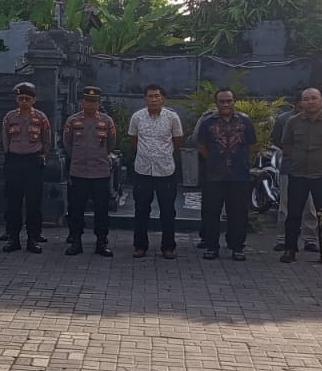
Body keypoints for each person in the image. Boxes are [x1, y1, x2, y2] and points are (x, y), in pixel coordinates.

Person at [279, 87, 322, 263]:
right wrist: (297, 158)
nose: (310, 102)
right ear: (301, 102)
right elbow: (286, 145)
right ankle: (290, 249)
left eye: (314, 98)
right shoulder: (293, 122)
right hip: (298, 174)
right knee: (293, 214)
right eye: (306, 99)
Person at [195, 88, 258, 261]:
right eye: (222, 101)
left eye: (228, 101)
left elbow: (252, 146)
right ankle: (211, 246)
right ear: (216, 103)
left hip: (239, 175)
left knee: (238, 213)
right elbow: (201, 146)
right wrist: (216, 159)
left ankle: (237, 246)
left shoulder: (245, 122)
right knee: (210, 212)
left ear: (234, 101)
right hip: (213, 175)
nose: (225, 104)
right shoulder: (207, 122)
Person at [128, 84, 184, 259]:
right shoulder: (137, 117)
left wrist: (162, 155)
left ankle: (168, 247)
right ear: (145, 99)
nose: (153, 99)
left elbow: (178, 141)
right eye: (150, 96)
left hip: (165, 170)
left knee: (167, 211)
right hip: (142, 170)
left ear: (163, 98)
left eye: (156, 96)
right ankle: (140, 246)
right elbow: (134, 140)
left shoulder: (172, 118)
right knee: (141, 210)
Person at [63, 86, 116, 257]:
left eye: (94, 101)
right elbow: (68, 144)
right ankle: (76, 241)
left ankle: (101, 241)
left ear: (99, 103)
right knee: (76, 208)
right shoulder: (72, 121)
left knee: (102, 209)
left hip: (100, 171)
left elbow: (111, 144)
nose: (90, 104)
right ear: (82, 102)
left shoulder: (107, 121)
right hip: (79, 171)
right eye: (87, 101)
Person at [2, 82, 52, 253]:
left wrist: (43, 154)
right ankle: (13, 237)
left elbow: (46, 139)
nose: (24, 101)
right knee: (13, 201)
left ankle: (33, 238)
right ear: (17, 99)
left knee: (33, 202)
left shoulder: (41, 118)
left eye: (27, 99)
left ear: (34, 100)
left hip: (33, 161)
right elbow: (5, 139)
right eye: (21, 98)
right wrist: (8, 156)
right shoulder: (9, 117)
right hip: (14, 160)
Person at [272, 93, 316, 252]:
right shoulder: (284, 120)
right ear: (296, 104)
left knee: (310, 207)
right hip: (289, 167)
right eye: (304, 102)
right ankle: (282, 239)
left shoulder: (317, 119)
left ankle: (310, 239)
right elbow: (276, 139)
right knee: (285, 205)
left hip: (312, 169)